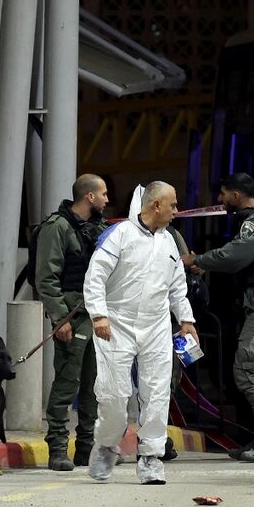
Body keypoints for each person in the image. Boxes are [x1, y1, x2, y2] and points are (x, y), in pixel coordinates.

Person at [83, 181, 197, 485]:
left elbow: (177, 288)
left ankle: (150, 458)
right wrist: (99, 315)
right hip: (115, 326)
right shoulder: (119, 235)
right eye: (172, 205)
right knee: (112, 394)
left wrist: (186, 320)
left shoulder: (169, 242)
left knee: (157, 392)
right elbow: (95, 277)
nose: (177, 211)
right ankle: (107, 445)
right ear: (156, 205)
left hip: (156, 327)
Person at [184, 173, 254, 462]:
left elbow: (234, 256)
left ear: (237, 195)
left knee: (244, 371)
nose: (220, 200)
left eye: (223, 194)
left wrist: (197, 260)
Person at [36, 174, 109, 471]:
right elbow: (46, 278)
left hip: (96, 317)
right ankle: (56, 448)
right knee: (66, 383)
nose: (107, 199)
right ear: (89, 196)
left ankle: (85, 448)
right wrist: (58, 318)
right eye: (103, 194)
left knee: (93, 386)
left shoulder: (98, 228)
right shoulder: (57, 228)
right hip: (71, 316)